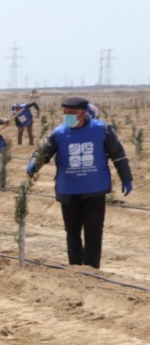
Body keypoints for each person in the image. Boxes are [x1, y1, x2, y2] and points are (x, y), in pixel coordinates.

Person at [26, 95, 134, 269]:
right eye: (65, 112)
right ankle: (75, 268)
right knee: (72, 233)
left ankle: (92, 269)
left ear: (83, 113)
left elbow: (118, 155)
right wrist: (34, 164)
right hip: (69, 192)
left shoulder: (102, 130)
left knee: (93, 232)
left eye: (71, 112)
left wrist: (126, 177)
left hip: (94, 190)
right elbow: (44, 152)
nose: (67, 115)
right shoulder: (59, 133)